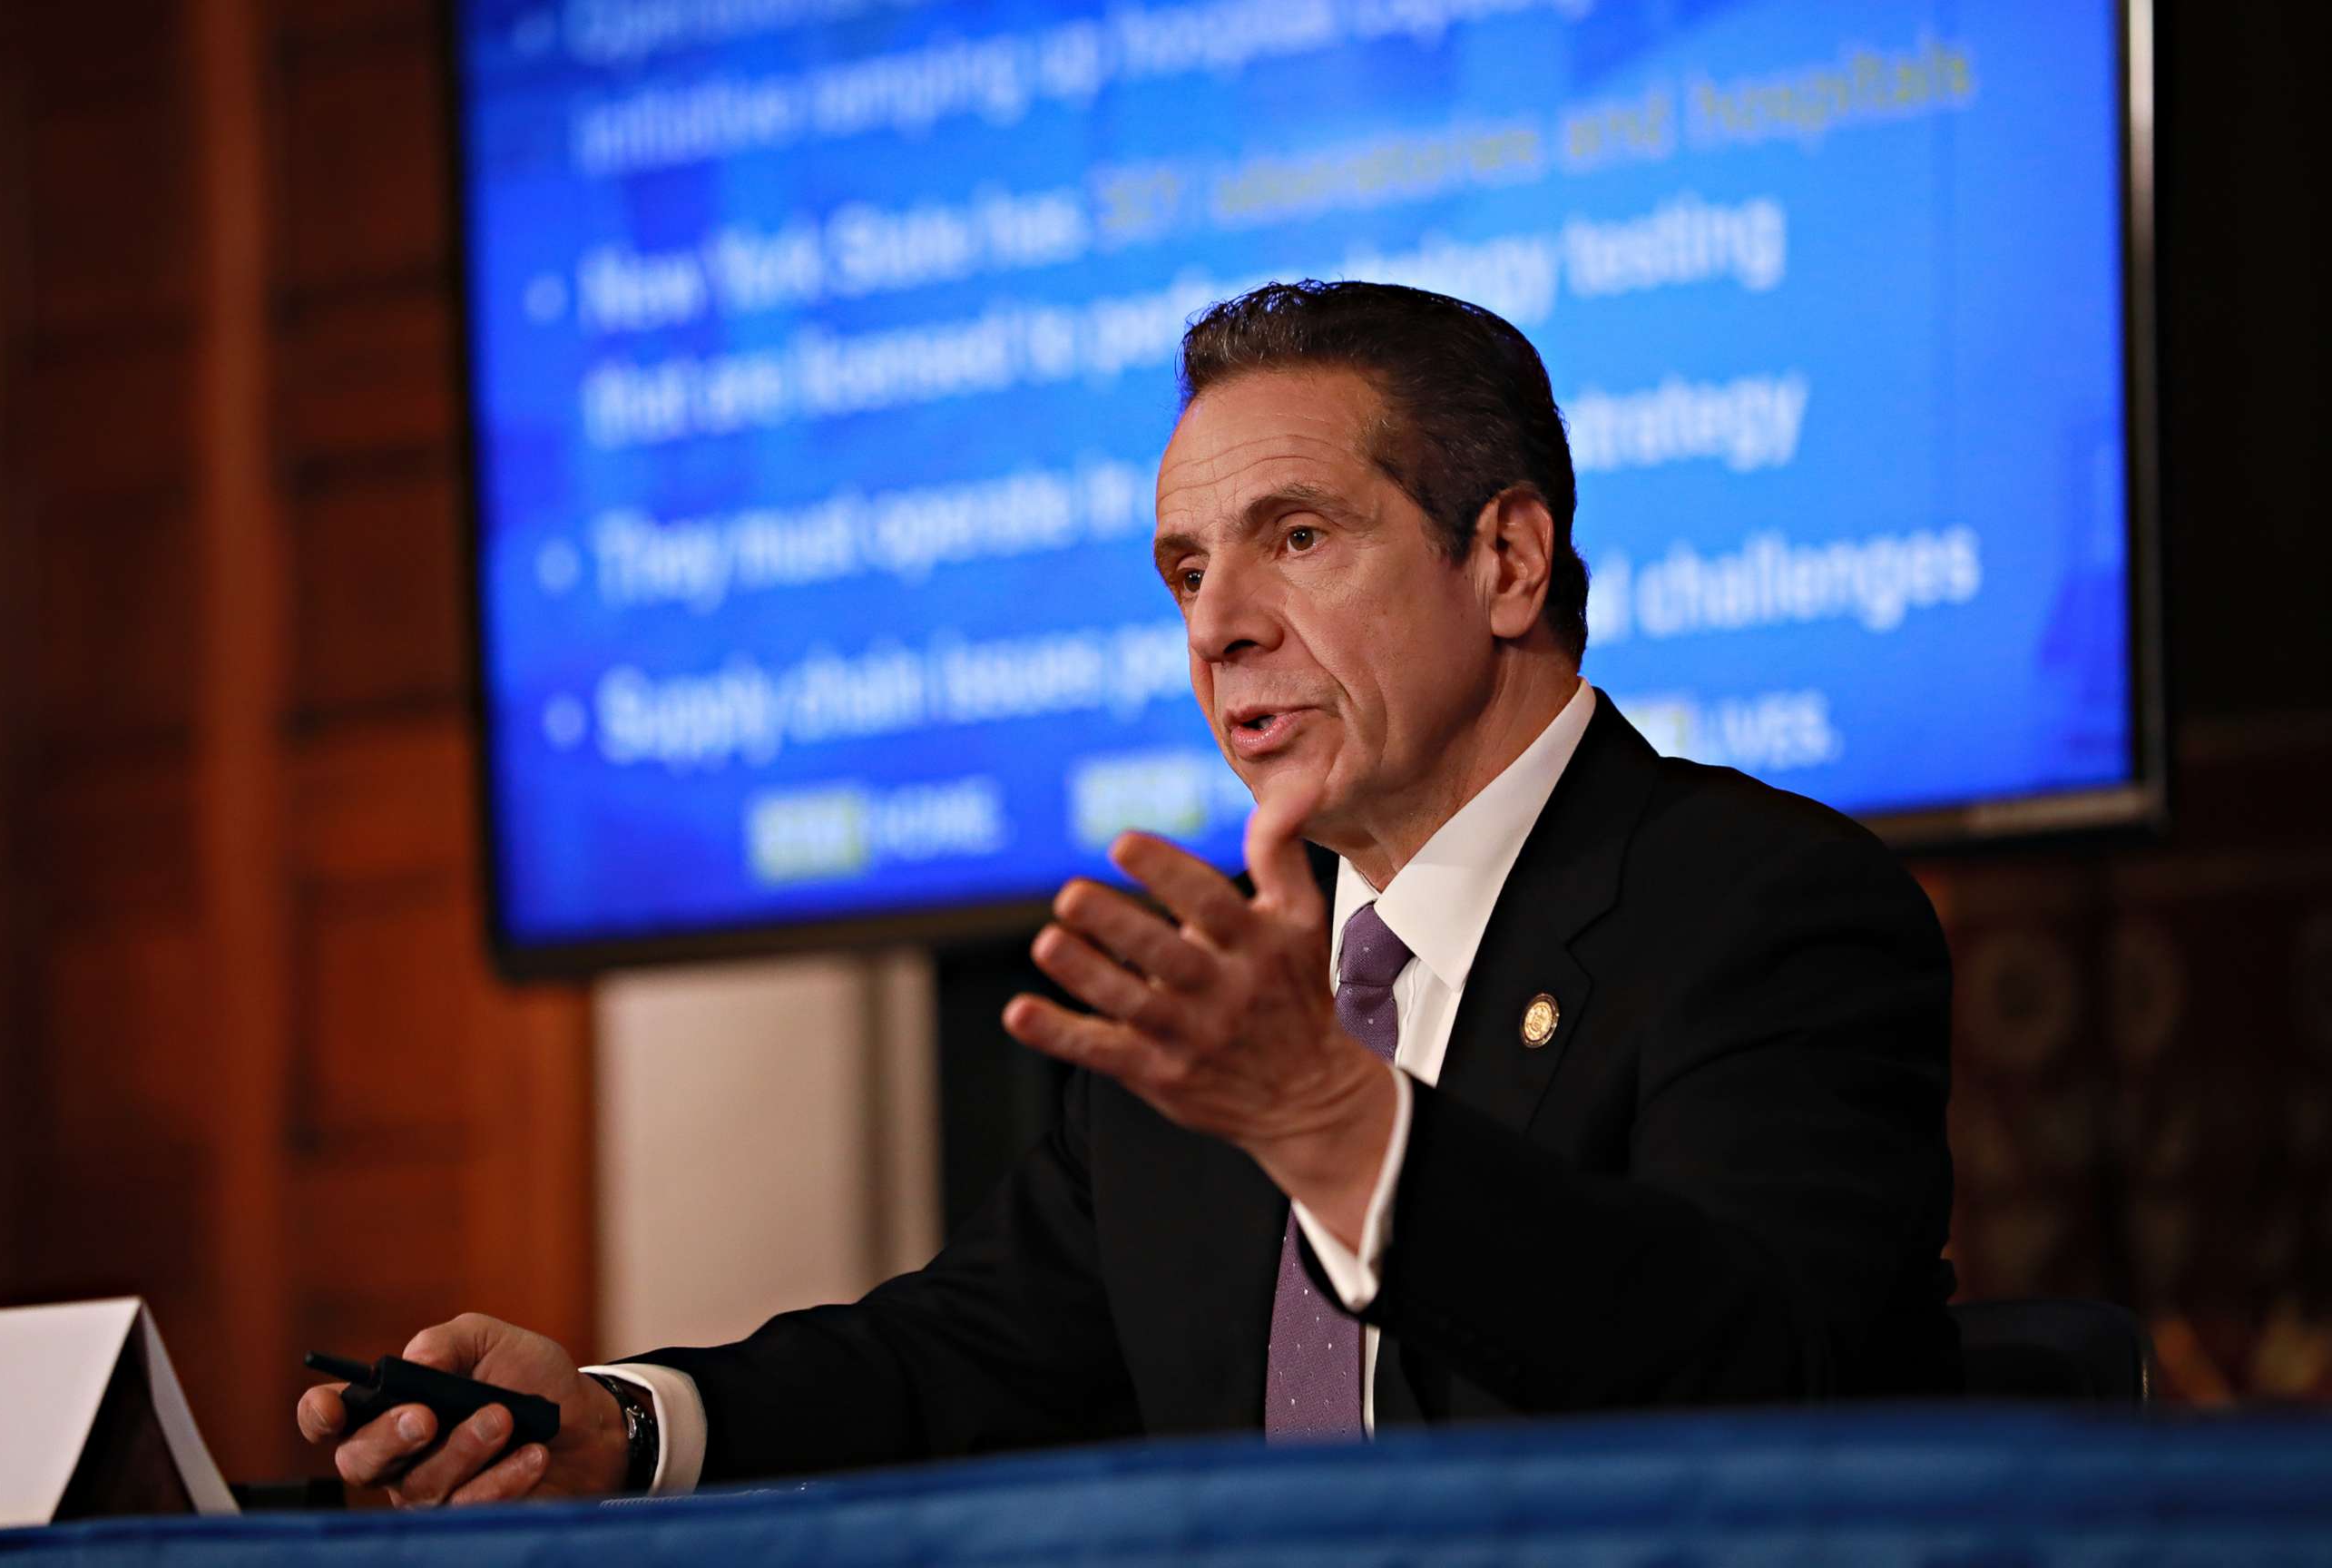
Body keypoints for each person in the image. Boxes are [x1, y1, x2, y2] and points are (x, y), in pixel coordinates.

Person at [299, 280, 1958, 1505]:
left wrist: (1334, 1129)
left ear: (1507, 562)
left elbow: (1770, 1385)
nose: (1217, 623)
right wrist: (623, 1420)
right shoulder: (1213, 989)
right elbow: (960, 1359)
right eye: (1185, 568)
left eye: (1295, 537)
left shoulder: (1768, 913)